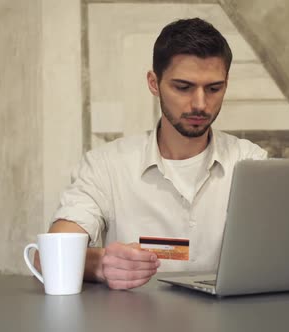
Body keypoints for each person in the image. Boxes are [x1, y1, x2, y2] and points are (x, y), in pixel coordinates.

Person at [37, 17, 267, 290]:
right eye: (183, 87)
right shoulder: (106, 166)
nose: (200, 104)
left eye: (214, 88)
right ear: (154, 83)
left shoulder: (251, 163)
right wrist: (99, 264)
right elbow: (47, 258)